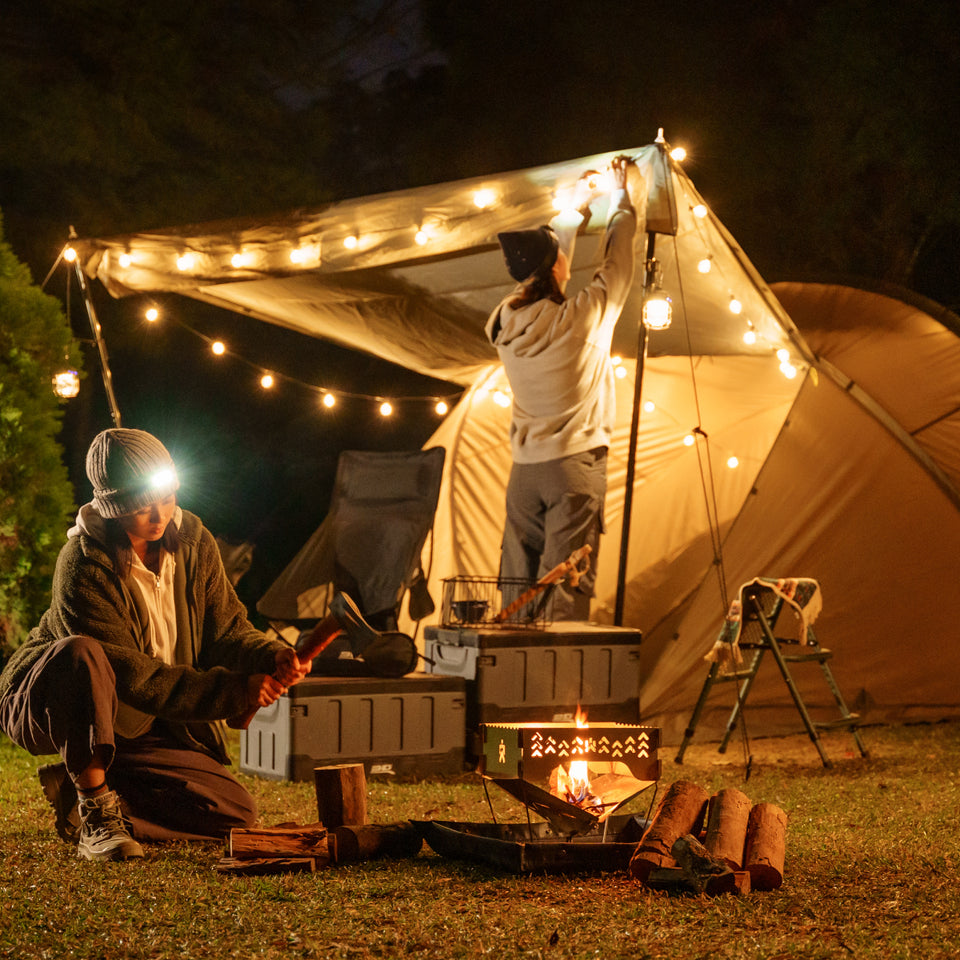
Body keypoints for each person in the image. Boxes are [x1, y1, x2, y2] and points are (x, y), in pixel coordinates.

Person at [0, 428, 381, 861]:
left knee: (233, 813)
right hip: (49, 698)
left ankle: (88, 785)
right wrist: (235, 691)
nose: (158, 516)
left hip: (138, 720)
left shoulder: (194, 541)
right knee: (82, 653)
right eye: (141, 508)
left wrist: (270, 655)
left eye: (165, 499)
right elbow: (132, 676)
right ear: (113, 509)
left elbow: (228, 628)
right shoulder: (83, 563)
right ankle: (95, 810)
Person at [485, 156, 639, 621]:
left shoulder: (504, 321)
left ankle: (507, 679)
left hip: (525, 472)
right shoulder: (582, 319)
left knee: (517, 585)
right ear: (557, 266)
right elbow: (619, 263)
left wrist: (574, 210)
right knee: (565, 583)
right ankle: (556, 690)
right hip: (574, 468)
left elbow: (545, 268)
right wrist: (622, 200)